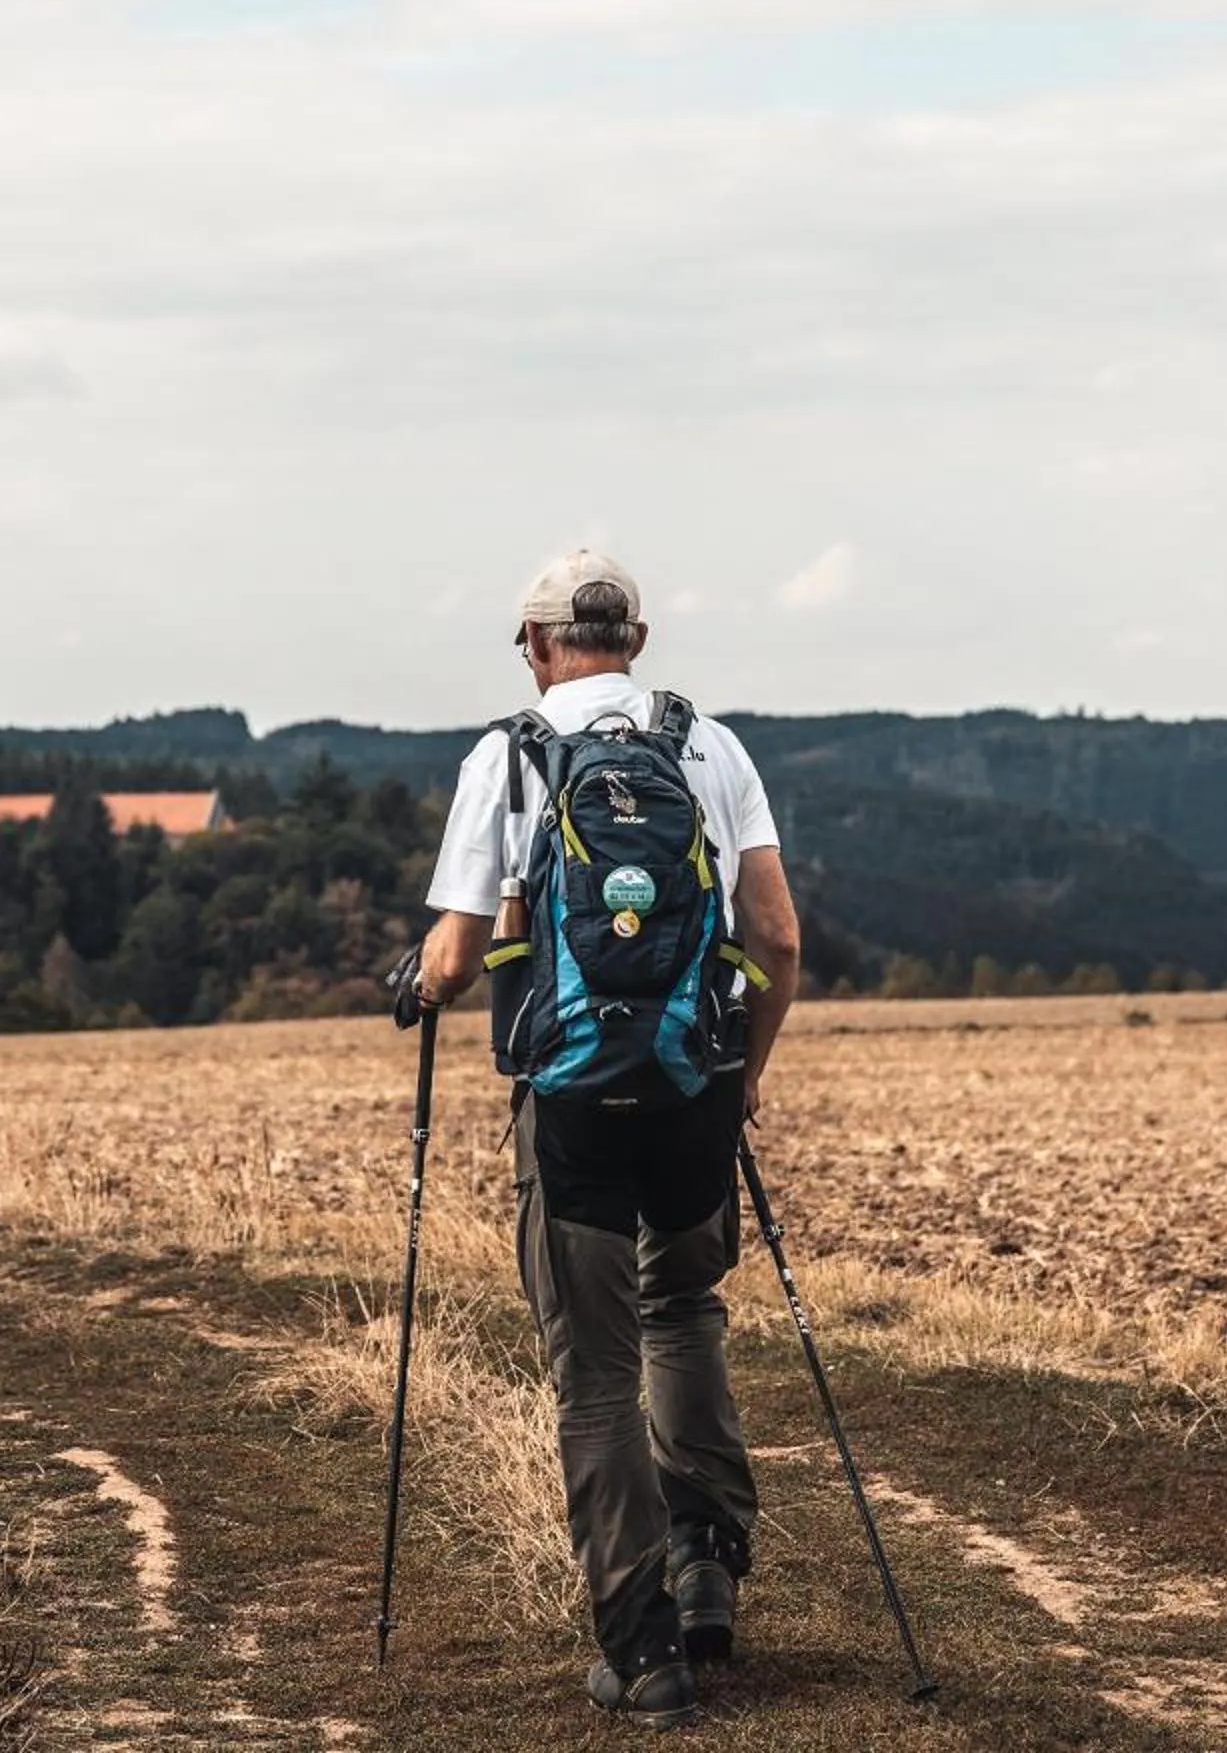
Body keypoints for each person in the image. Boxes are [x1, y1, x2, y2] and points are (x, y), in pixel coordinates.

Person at [399, 549, 801, 1733]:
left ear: (535, 644)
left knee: (594, 1377)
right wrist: (746, 1081)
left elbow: (457, 954)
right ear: (638, 637)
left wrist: (415, 987)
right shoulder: (708, 747)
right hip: (692, 1088)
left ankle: (644, 1648)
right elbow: (775, 935)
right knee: (684, 1310)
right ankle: (708, 1562)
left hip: (570, 1104)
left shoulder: (507, 756)